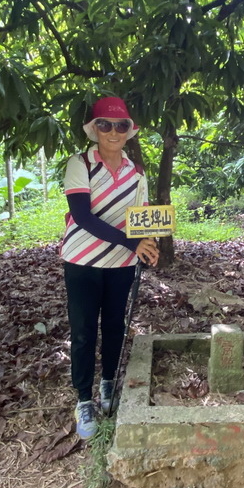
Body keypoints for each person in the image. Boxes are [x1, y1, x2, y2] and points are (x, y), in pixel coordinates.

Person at [61, 96, 159, 439]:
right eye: (105, 124)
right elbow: (83, 217)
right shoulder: (80, 165)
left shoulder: (137, 172)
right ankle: (84, 398)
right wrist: (132, 242)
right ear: (94, 129)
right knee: (85, 330)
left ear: (129, 131)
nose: (113, 132)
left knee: (116, 325)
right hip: (82, 261)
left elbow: (141, 218)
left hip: (121, 262)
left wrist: (148, 244)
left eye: (120, 126)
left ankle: (108, 382)